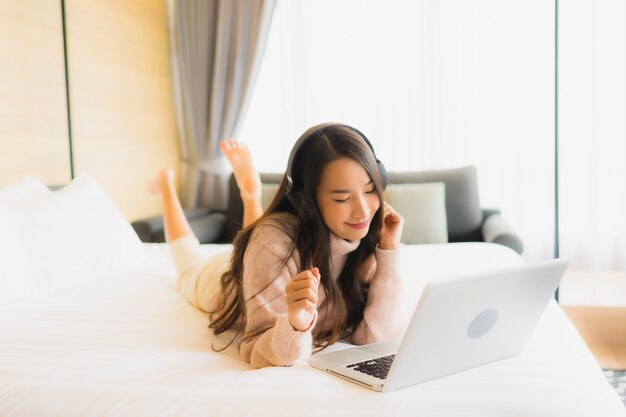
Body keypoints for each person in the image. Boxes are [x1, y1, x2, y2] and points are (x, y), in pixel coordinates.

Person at [149, 123, 407, 368]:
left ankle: (251, 195)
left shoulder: (370, 233)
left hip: (264, 257)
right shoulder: (272, 241)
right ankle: (167, 187)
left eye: (371, 190)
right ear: (305, 201)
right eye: (342, 198)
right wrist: (294, 326)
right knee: (188, 263)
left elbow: (377, 336)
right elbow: (257, 347)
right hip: (223, 281)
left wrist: (389, 251)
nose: (363, 211)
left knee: (260, 237)